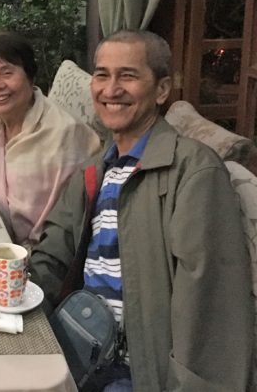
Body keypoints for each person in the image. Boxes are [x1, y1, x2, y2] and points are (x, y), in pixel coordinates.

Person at [29, 30, 253, 390]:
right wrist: (12, 298)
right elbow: (53, 254)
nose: (111, 89)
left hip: (136, 374)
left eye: (128, 76)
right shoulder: (94, 169)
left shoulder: (191, 170)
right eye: (102, 74)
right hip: (79, 351)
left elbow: (209, 308)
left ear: (162, 90)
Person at [0, 32, 100, 246]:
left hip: (47, 256)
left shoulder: (65, 135)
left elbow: (75, 221)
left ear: (30, 76)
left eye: (7, 73)